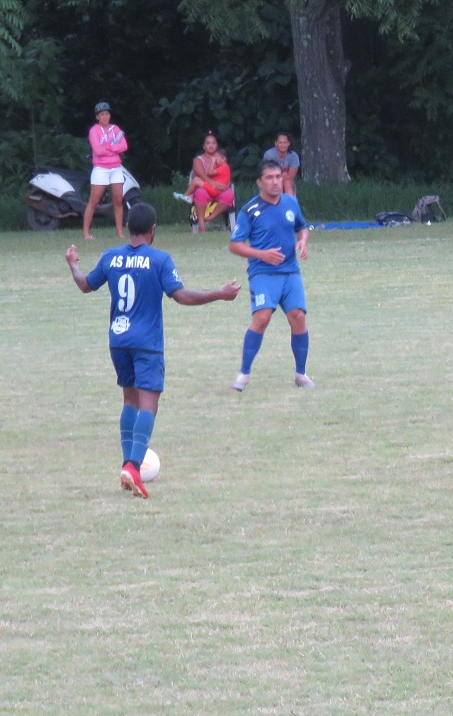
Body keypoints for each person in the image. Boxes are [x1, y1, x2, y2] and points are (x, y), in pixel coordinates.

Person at [64, 203, 240, 498]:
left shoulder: (111, 257)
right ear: (153, 230)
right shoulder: (159, 260)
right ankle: (133, 467)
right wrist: (219, 295)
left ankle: (126, 467)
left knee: (129, 400)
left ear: (130, 227)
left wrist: (72, 263)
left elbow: (85, 285)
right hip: (147, 344)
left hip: (118, 341)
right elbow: (180, 295)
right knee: (149, 405)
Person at [229, 159, 314, 391]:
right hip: (263, 272)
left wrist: (303, 241)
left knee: (298, 317)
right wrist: (261, 254)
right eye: (270, 178)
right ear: (259, 182)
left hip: (290, 272)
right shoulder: (250, 210)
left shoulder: (291, 203)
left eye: (278, 177)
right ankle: (243, 374)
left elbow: (302, 227)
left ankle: (301, 374)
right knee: (262, 318)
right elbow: (234, 245)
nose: (275, 182)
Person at [82, 101, 129, 241]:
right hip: (101, 168)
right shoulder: (94, 131)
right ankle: (85, 233)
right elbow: (97, 150)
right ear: (97, 117)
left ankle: (120, 232)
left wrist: (108, 148)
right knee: (94, 201)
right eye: (102, 114)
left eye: (107, 114)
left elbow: (124, 146)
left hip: (115, 167)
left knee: (118, 200)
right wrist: (113, 149)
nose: (105, 117)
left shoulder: (115, 129)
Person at [188, 132, 235, 233]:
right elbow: (201, 174)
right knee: (200, 192)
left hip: (219, 190)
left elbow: (227, 173)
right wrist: (212, 183)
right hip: (205, 188)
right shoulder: (198, 160)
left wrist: (225, 185)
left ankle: (210, 217)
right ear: (204, 146)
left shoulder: (221, 159)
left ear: (216, 145)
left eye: (213, 143)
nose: (211, 145)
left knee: (229, 194)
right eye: (208, 143)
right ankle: (201, 224)